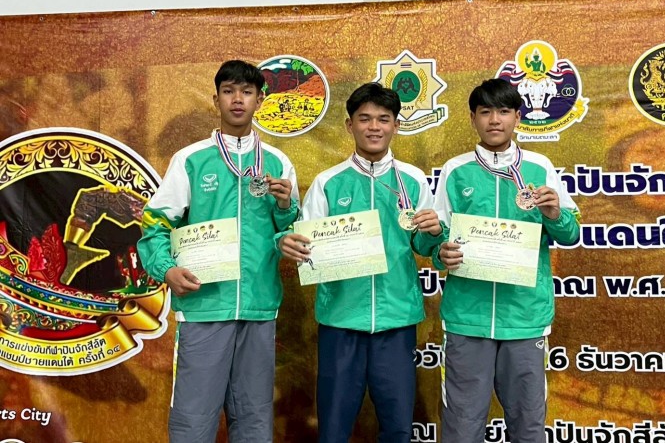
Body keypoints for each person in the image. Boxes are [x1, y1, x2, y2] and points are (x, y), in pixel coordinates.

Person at [137, 59, 299, 443]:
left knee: (255, 419)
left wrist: (285, 207)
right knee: (193, 420)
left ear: (260, 100)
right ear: (216, 100)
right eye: (229, 91)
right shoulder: (191, 160)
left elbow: (289, 233)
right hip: (204, 305)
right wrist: (166, 269)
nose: (237, 99)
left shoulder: (278, 162)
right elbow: (155, 223)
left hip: (258, 307)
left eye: (246, 92)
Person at [279, 82, 445, 443]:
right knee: (334, 426)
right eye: (364, 118)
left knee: (398, 426)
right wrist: (293, 244)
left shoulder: (413, 180)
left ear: (396, 125)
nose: (374, 127)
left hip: (397, 319)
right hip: (340, 319)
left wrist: (433, 232)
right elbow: (307, 246)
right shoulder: (327, 182)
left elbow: (423, 245)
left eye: (383, 119)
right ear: (349, 125)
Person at [433, 78, 580, 442]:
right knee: (462, 426)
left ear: (518, 117)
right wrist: (441, 252)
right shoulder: (455, 170)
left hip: (525, 317)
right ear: (472, 118)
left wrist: (554, 214)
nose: (494, 120)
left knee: (528, 425)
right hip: (467, 318)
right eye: (485, 112)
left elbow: (571, 234)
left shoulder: (540, 167)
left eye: (503, 111)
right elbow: (437, 237)